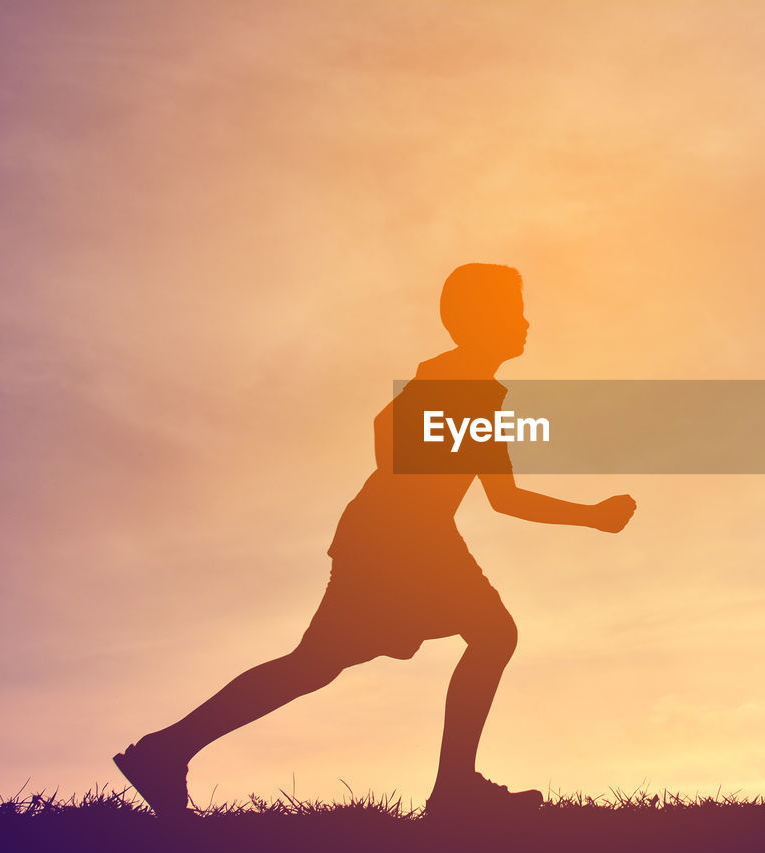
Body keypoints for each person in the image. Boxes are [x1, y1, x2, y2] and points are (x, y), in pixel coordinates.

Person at [113, 263, 637, 818]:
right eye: (514, 310)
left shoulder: (476, 389)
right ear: (480, 321)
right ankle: (454, 789)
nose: (526, 322)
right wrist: (586, 515)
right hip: (397, 539)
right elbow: (387, 434)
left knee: (314, 665)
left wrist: (590, 517)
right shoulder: (453, 380)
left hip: (404, 536)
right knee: (486, 635)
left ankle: (165, 751)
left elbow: (501, 496)